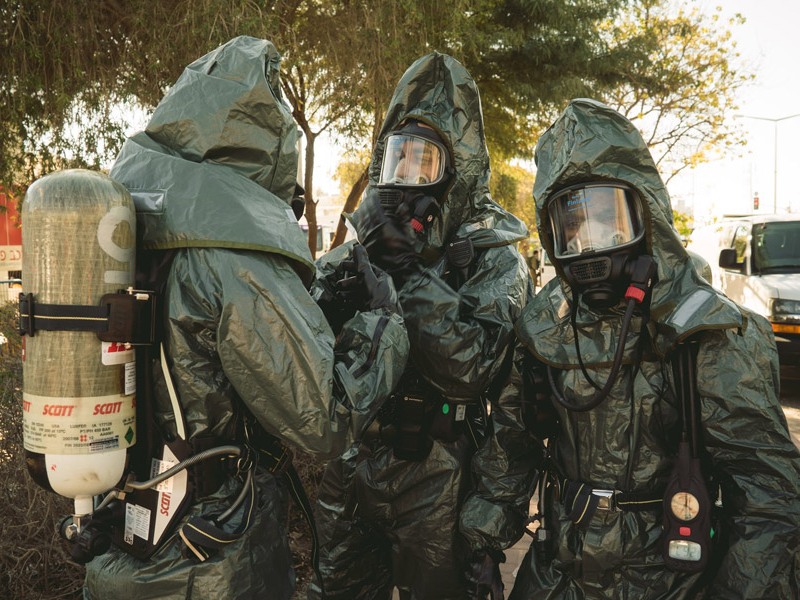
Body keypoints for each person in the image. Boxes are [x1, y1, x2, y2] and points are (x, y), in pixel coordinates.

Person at [82, 36, 409, 600]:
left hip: (123, 537)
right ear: (264, 143)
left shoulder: (134, 230)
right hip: (212, 563)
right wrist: (385, 323)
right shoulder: (230, 259)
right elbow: (324, 415)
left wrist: (323, 280)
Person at [511, 98, 800, 599]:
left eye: (608, 221)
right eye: (572, 228)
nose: (589, 245)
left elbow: (769, 496)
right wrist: (483, 539)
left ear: (644, 214)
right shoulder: (548, 328)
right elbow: (509, 440)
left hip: (669, 579)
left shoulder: (705, 334)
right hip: (560, 568)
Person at [307, 52, 536, 599]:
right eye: (397, 160)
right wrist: (331, 305)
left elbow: (471, 369)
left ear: (455, 173)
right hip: (356, 461)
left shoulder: (494, 259)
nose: (406, 179)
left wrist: (408, 276)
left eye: (423, 163)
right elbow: (299, 346)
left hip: (442, 474)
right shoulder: (362, 249)